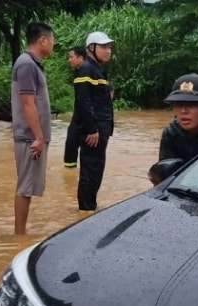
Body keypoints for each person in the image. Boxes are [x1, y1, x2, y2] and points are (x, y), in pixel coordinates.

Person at [10, 22, 54, 235]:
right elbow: (27, 103)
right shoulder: (27, 64)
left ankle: (21, 233)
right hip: (29, 137)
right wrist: (38, 136)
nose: (53, 44)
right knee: (25, 187)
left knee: (27, 187)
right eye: (52, 40)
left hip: (32, 136)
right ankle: (19, 236)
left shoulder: (31, 63)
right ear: (42, 40)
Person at [74, 31, 115, 212]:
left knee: (96, 168)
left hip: (101, 127)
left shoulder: (96, 70)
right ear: (92, 48)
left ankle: (90, 207)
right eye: (104, 47)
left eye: (109, 47)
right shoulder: (87, 69)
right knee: (91, 169)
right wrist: (91, 129)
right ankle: (86, 209)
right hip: (95, 129)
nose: (108, 51)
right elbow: (83, 101)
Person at [63, 46, 85, 169]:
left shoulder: (86, 73)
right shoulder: (77, 73)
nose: (69, 60)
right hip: (78, 116)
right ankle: (69, 175)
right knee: (71, 143)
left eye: (71, 57)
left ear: (80, 58)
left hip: (85, 118)